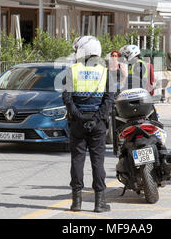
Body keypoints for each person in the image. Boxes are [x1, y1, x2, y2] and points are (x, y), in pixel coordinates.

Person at [62, 35, 114, 213]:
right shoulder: (106, 71)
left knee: (77, 160)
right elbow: (109, 100)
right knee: (97, 162)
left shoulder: (72, 70)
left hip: (77, 123)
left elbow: (67, 99)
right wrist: (96, 118)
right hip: (97, 124)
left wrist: (78, 116)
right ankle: (99, 203)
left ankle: (76, 203)